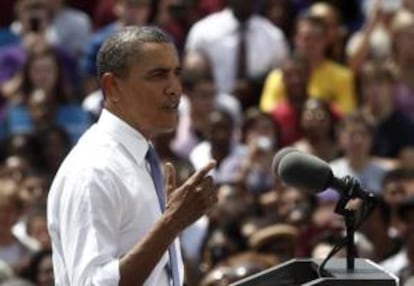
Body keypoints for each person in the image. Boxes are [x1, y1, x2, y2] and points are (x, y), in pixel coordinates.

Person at [47, 26, 217, 285]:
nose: (175, 89)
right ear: (112, 86)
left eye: (176, 74)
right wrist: (170, 225)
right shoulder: (94, 169)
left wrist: (170, 226)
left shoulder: (140, 158)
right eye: (158, 75)